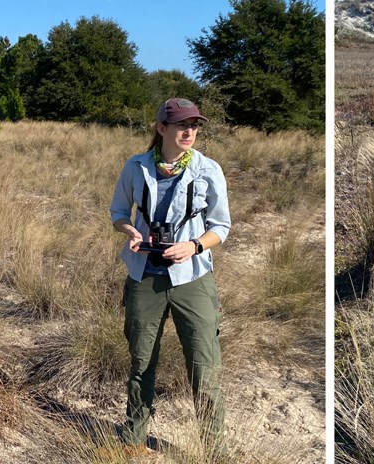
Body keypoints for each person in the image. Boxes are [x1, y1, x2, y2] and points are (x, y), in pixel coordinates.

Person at [109, 98, 231, 456]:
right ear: (161, 128)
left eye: (194, 125)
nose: (189, 131)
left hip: (192, 278)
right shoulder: (135, 167)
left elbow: (220, 226)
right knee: (141, 360)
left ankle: (215, 451)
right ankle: (134, 439)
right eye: (180, 125)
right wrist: (131, 231)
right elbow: (118, 212)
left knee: (204, 365)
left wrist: (193, 246)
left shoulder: (209, 170)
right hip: (144, 275)